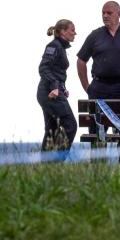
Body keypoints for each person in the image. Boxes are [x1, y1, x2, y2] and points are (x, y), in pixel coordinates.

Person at [76, 1, 120, 101]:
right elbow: (81, 60)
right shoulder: (95, 35)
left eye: (109, 13)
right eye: (103, 13)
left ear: (119, 14)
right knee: (97, 117)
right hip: (98, 88)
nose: (105, 16)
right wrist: (87, 86)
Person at [37, 20, 78, 151]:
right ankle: (57, 160)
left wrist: (62, 88)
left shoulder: (60, 46)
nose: (75, 33)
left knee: (51, 130)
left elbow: (56, 71)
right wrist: (55, 87)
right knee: (70, 125)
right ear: (63, 32)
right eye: (72, 30)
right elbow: (43, 68)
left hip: (51, 91)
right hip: (49, 92)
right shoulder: (54, 46)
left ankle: (46, 166)